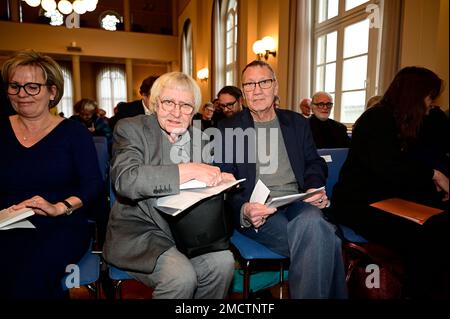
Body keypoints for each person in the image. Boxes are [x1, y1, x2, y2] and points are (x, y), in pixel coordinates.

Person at [215, 60, 347, 299]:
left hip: (297, 201)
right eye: (249, 84)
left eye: (264, 82)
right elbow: (225, 182)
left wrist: (314, 187)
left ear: (275, 87)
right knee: (323, 237)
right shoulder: (227, 129)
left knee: (313, 225)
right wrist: (244, 209)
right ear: (243, 91)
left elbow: (314, 162)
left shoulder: (296, 123)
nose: (257, 90)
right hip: (259, 208)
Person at [103, 71, 235, 299]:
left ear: (193, 110)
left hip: (188, 232)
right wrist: (189, 170)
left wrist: (219, 183)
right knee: (181, 277)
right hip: (142, 232)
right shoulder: (132, 129)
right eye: (168, 103)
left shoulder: (201, 139)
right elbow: (126, 180)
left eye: (185, 105)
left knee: (223, 263)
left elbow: (199, 192)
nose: (176, 112)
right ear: (155, 103)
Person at [331, 66, 449, 298]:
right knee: (428, 233)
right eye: (428, 97)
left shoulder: (409, 122)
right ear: (414, 96)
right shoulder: (376, 119)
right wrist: (433, 175)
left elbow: (414, 166)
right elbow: (390, 169)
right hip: (360, 204)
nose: (430, 104)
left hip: (391, 200)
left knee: (439, 223)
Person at [0, 50, 103, 299]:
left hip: (60, 223)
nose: (22, 94)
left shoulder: (74, 133)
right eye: (15, 86)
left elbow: (93, 185)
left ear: (52, 92)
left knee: (31, 276)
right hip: (5, 222)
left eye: (33, 87)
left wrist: (60, 207)